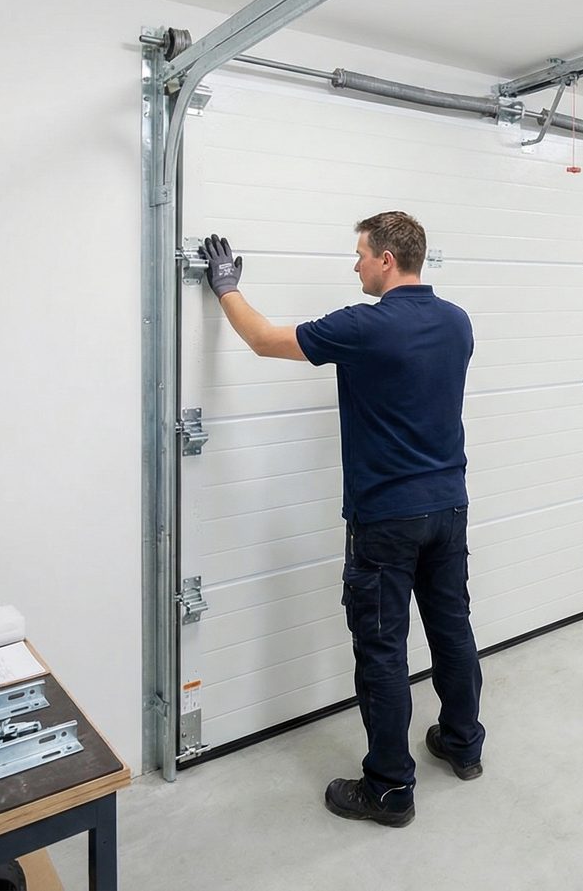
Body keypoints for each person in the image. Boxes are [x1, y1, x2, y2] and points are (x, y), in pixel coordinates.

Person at [202, 211, 484, 828]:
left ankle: (388, 788)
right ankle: (463, 745)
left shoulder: (365, 326)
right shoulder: (456, 322)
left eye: (359, 253)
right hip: (449, 506)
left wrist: (226, 286)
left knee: (382, 649)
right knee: (452, 628)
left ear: (387, 258)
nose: (354, 264)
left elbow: (263, 340)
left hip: (387, 518)